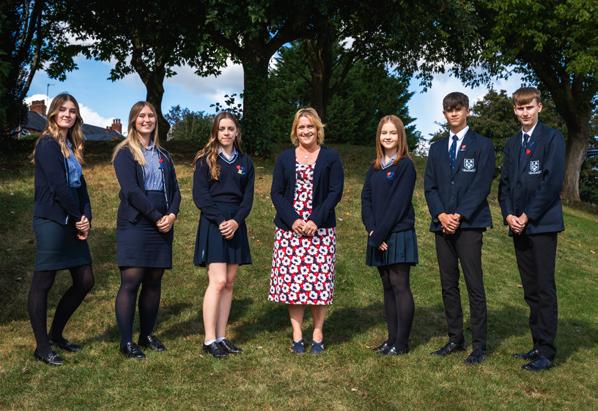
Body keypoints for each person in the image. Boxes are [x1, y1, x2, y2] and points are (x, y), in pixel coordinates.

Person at [424, 92, 495, 365]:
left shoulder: (482, 145)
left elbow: (482, 185)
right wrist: (441, 215)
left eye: (458, 109)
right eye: (448, 110)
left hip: (470, 224)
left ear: (467, 111)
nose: (453, 113)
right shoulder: (436, 149)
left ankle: (479, 345)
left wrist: (459, 215)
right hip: (442, 225)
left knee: (474, 284)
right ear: (444, 114)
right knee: (448, 284)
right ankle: (455, 338)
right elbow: (430, 186)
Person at [498, 87, 565, 371]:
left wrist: (527, 215)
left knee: (544, 287)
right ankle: (537, 344)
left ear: (539, 107)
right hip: (519, 226)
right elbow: (504, 185)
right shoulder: (513, 143)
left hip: (542, 224)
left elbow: (551, 183)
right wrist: (508, 215)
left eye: (529, 107)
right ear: (515, 110)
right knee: (530, 290)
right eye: (520, 108)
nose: (525, 113)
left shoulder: (552, 138)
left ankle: (547, 351)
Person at [268, 107, 344, 354]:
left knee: (318, 285)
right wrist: (293, 220)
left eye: (310, 126)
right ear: (295, 131)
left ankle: (318, 333)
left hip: (320, 230)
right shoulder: (284, 158)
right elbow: (276, 193)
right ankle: (297, 335)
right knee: (294, 285)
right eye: (301, 127)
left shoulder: (331, 157)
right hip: (291, 231)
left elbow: (335, 191)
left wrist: (315, 220)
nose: (306, 131)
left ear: (317, 129)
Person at [28, 93, 95, 366]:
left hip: (72, 219)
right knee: (43, 283)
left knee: (85, 280)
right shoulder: (47, 143)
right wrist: (78, 217)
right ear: (53, 113)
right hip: (52, 220)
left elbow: (81, 188)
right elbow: (58, 187)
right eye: (63, 109)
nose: (67, 114)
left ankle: (56, 335)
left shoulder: (71, 145)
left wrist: (87, 217)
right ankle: (42, 346)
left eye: (72, 110)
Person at [112, 101, 181, 359]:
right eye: (141, 115)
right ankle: (126, 341)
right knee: (132, 281)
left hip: (162, 223)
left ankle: (147, 334)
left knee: (154, 281)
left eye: (151, 115)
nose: (146, 119)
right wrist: (155, 216)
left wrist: (171, 215)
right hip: (136, 223)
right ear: (133, 120)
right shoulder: (125, 153)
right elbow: (131, 191)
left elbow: (175, 190)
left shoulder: (164, 155)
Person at [193, 112, 254, 358]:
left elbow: (247, 198)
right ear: (215, 132)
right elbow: (201, 196)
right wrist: (221, 221)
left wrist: (236, 221)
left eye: (230, 128)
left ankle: (221, 336)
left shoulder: (245, 162)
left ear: (236, 132)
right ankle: (209, 340)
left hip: (236, 223)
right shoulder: (205, 160)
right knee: (217, 281)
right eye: (222, 129)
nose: (226, 133)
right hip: (214, 223)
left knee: (229, 283)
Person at [361, 115, 418, 356]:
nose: (388, 137)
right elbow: (366, 199)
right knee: (387, 286)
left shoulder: (405, 166)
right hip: (378, 234)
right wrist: (372, 230)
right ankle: (391, 339)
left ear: (400, 136)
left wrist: (381, 234)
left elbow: (398, 204)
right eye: (384, 132)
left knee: (399, 285)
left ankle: (402, 343)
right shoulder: (374, 167)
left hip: (398, 232)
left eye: (392, 132)